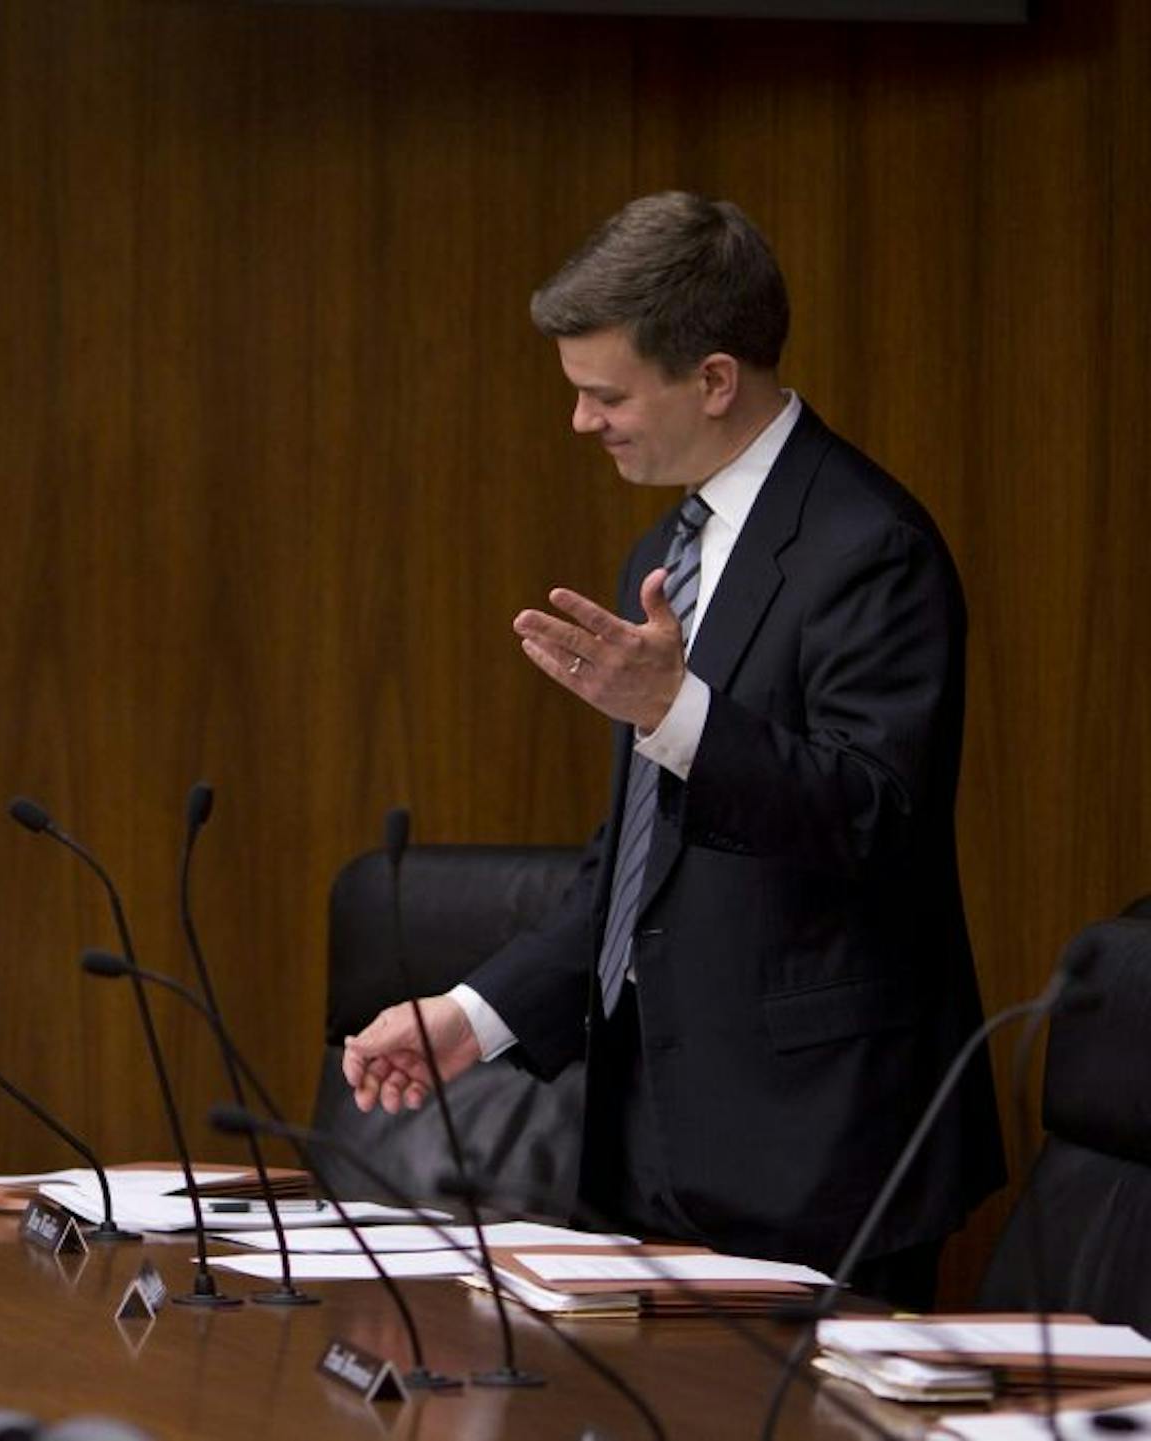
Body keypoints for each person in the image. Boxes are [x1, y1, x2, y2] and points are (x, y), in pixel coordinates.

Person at [342, 192, 1002, 1308]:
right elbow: (646, 863)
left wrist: (677, 714)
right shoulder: (667, 549)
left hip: (818, 1156)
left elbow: (878, 811)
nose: (581, 423)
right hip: (653, 1142)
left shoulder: (868, 545)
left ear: (711, 378)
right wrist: (481, 1012)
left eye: (604, 393)